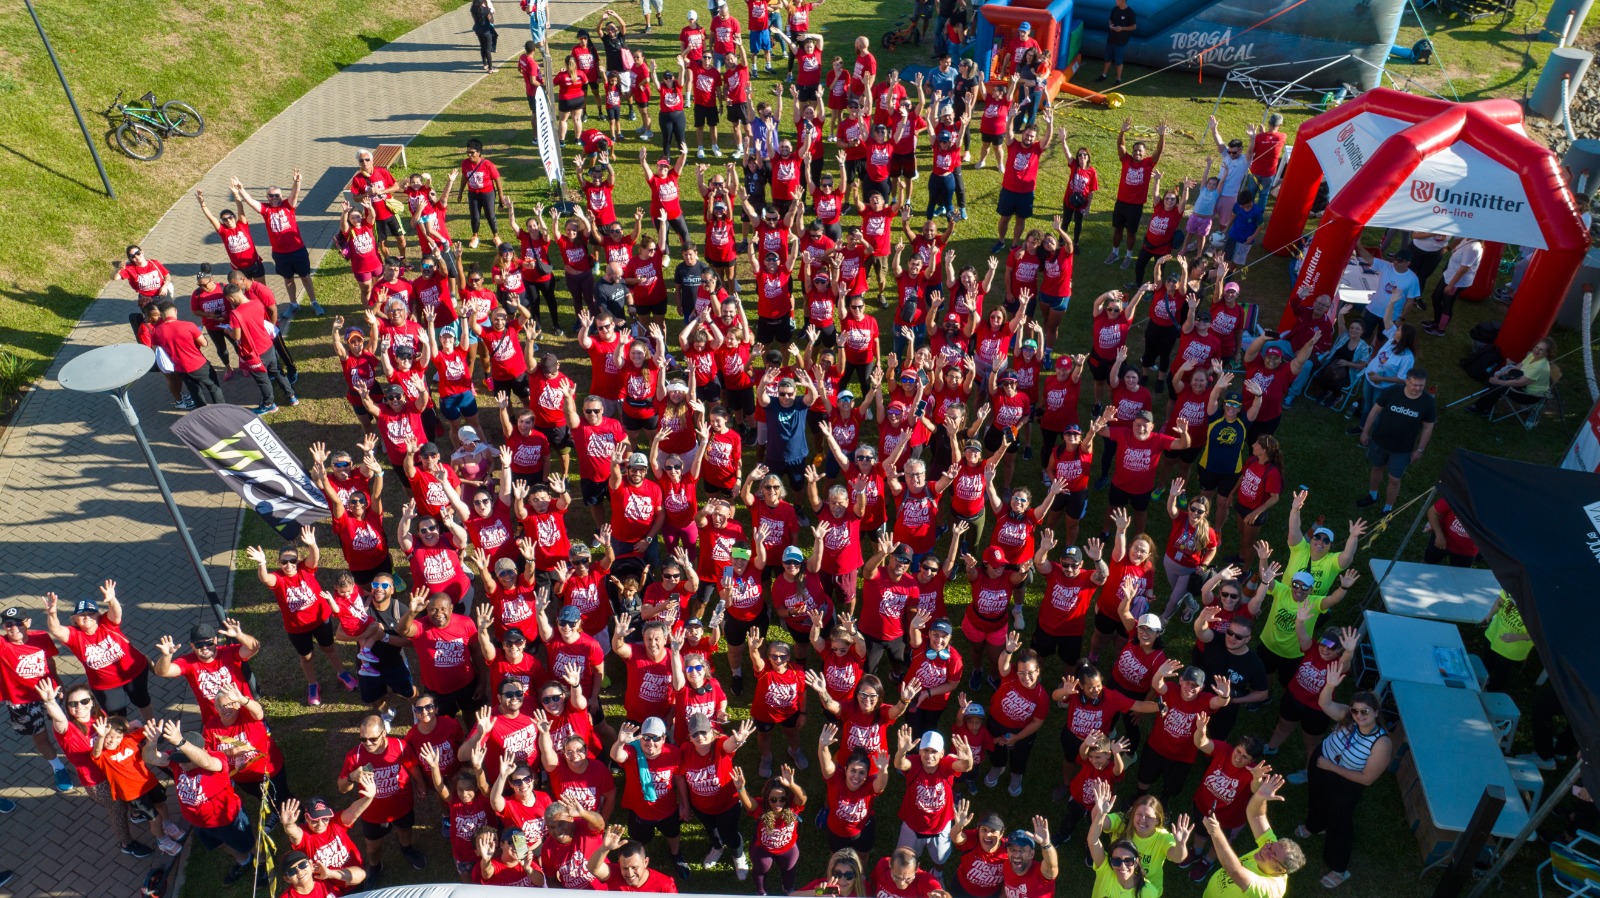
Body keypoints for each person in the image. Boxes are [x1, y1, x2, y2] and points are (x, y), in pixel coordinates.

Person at [141, 718, 264, 885]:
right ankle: (244, 860)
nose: (181, 764)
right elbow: (150, 758)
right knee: (220, 844)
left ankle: (262, 865)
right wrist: (152, 742)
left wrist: (180, 742)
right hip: (200, 824)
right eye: (180, 757)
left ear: (199, 752)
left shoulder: (216, 760)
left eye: (186, 759)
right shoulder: (177, 761)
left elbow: (206, 761)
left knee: (248, 843)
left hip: (227, 820)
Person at [1297, 669, 1391, 889]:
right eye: (1355, 711)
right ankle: (1315, 825)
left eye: (1364, 712)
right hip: (1322, 766)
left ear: (1376, 712)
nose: (1359, 716)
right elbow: (1325, 704)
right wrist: (1329, 684)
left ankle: (1339, 868)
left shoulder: (1381, 743)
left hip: (1345, 782)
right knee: (1316, 799)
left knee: (1340, 822)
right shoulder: (1347, 717)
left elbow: (1366, 779)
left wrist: (1331, 767)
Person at [246, 531, 355, 706]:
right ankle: (313, 685)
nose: (288, 565)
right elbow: (265, 578)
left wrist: (312, 545)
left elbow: (314, 558)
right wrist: (262, 563)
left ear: (298, 561)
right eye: (284, 562)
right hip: (297, 628)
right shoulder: (279, 579)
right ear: (279, 563)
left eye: (292, 561)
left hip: (320, 620)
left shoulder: (305, 569)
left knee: (329, 648)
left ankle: (342, 673)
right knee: (306, 657)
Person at [39, 581, 152, 721]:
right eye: (82, 614)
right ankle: (125, 738)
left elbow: (117, 613)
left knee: (142, 701)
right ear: (74, 619)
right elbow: (56, 629)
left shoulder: (107, 623)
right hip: (106, 685)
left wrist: (112, 600)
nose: (87, 617)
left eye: (91, 613)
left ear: (98, 615)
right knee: (117, 716)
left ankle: (151, 726)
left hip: (134, 672)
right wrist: (52, 613)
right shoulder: (74, 636)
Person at [338, 714, 427, 878]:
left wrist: (420, 783)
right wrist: (351, 777)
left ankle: (406, 849)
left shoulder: (400, 746)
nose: (368, 744)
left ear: (384, 733)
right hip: (373, 813)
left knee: (405, 829)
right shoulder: (355, 756)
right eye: (363, 739)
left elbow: (412, 765)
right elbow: (342, 788)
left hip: (402, 804)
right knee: (372, 846)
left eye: (372, 739)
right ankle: (375, 866)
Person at [610, 717, 692, 880]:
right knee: (640, 841)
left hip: (667, 809)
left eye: (656, 738)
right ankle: (639, 861)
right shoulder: (633, 751)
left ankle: (676, 855)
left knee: (673, 834)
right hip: (640, 811)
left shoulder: (673, 753)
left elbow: (679, 778)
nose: (650, 743)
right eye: (646, 737)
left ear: (664, 738)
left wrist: (685, 804)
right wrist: (620, 742)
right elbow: (617, 756)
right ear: (640, 737)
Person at [1199, 773, 1304, 898]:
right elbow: (1256, 815)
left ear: (1280, 870)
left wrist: (1216, 833)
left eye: (1272, 855)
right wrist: (1260, 797)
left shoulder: (1270, 890)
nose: (1266, 849)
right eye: (1270, 846)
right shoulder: (1271, 847)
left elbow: (1235, 871)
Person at [232, 172, 321, 314]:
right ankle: (293, 304)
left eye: (277, 195)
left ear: (281, 196)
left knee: (305, 276)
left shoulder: (288, 205)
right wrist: (241, 189)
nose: (274, 198)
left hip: (298, 250)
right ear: (267, 197)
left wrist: (297, 182)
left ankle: (314, 302)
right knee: (288, 279)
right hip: (280, 254)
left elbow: (295, 194)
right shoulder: (265, 210)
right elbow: (250, 201)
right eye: (271, 196)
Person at [1356, 369, 1435, 514]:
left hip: (1402, 449)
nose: (1418, 389)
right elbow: (1374, 411)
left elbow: (1428, 427)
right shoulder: (1393, 391)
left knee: (1394, 479)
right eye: (1415, 385)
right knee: (1376, 467)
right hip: (1380, 441)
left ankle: (1388, 509)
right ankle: (1372, 495)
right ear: (1406, 381)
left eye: (1421, 386)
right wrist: (1365, 432)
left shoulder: (1427, 402)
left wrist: (1420, 450)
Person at [893, 725, 974, 865]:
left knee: (940, 859)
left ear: (942, 753)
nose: (929, 756)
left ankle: (937, 873)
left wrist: (968, 758)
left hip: (941, 825)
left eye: (934, 752)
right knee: (904, 859)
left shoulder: (947, 765)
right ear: (919, 751)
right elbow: (900, 764)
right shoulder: (914, 763)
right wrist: (901, 752)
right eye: (926, 750)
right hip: (913, 825)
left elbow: (966, 766)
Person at [279, 786, 375, 891]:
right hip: (334, 887)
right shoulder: (305, 836)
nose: (320, 824)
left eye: (325, 819)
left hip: (356, 874)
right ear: (306, 818)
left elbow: (353, 811)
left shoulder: (336, 823)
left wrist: (368, 798)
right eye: (314, 820)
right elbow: (295, 834)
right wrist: (288, 825)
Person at [733, 761, 808, 894]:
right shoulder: (762, 808)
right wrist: (741, 789)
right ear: (767, 798)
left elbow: (802, 799)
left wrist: (791, 784)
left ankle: (788, 889)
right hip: (763, 849)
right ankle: (761, 892)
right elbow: (749, 805)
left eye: (782, 799)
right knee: (761, 870)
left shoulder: (792, 806)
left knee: (789, 870)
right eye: (773, 799)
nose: (778, 803)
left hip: (788, 848)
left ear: (787, 798)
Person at [1468, 336, 1554, 418]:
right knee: (1493, 379)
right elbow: (1517, 367)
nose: (1536, 350)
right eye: (1536, 347)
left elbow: (1519, 383)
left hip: (1529, 395)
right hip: (1523, 382)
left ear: (1546, 353)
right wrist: (1500, 374)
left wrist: (1497, 381)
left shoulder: (1540, 367)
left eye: (1541, 350)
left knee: (1498, 386)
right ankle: (1483, 407)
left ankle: (1482, 408)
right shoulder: (1532, 355)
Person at [1421, 237, 1484, 336]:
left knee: (1447, 304)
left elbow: (1464, 269)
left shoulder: (1472, 247)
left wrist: (1451, 285)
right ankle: (1437, 321)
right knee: (1436, 297)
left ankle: (1440, 329)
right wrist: (1448, 248)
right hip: (1449, 275)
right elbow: (1457, 242)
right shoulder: (1466, 239)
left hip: (1457, 282)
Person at [589, 826, 681, 891]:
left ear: (645, 862)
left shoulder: (665, 885)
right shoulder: (615, 873)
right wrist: (604, 849)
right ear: (619, 863)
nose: (630, 874)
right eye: (624, 868)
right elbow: (593, 868)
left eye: (634, 867)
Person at [999, 816, 1058, 898]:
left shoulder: (1041, 875)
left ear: (1031, 854)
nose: (1016, 855)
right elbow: (1006, 887)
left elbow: (1051, 866)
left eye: (1022, 850)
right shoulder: (1007, 865)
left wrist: (1046, 845)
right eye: (1012, 849)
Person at [1098, 0, 1136, 83]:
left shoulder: (1130, 12)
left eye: (1117, 0)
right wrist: (1111, 25)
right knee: (1107, 58)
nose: (1115, 1)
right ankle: (1103, 75)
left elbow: (1134, 27)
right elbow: (1110, 19)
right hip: (1111, 39)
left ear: (1123, 1)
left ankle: (1118, 79)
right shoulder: (1115, 9)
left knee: (1118, 61)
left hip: (1121, 41)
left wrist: (1122, 28)